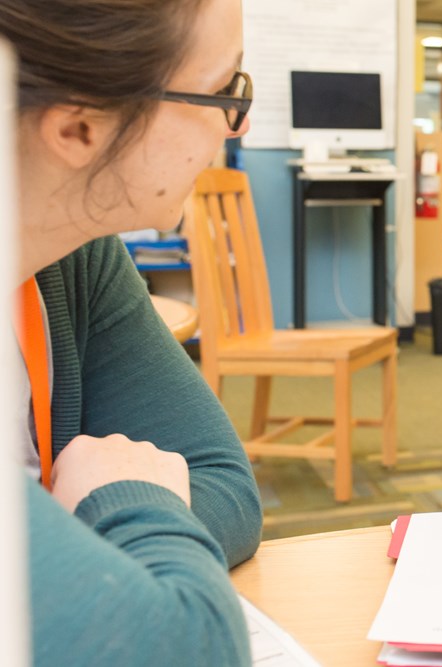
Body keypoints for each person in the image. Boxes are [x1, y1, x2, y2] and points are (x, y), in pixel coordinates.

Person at [3, 0, 262, 662]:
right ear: (79, 126)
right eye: (222, 92)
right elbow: (188, 646)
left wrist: (71, 547)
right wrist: (126, 503)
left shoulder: (70, 247)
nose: (240, 122)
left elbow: (220, 480)